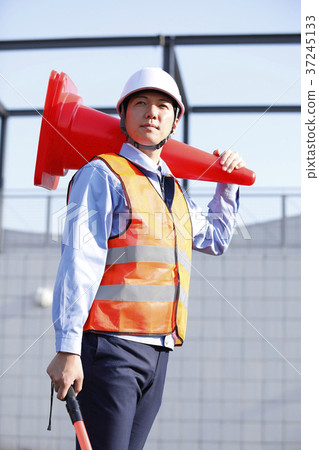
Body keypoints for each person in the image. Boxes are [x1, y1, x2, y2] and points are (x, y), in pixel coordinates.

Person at [47, 67, 246, 450]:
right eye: (140, 103)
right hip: (109, 351)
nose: (151, 112)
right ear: (123, 115)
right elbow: (79, 263)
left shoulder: (174, 192)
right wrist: (68, 349)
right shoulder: (102, 174)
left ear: (174, 120)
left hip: (159, 353)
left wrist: (228, 183)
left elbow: (217, 238)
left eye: (162, 106)